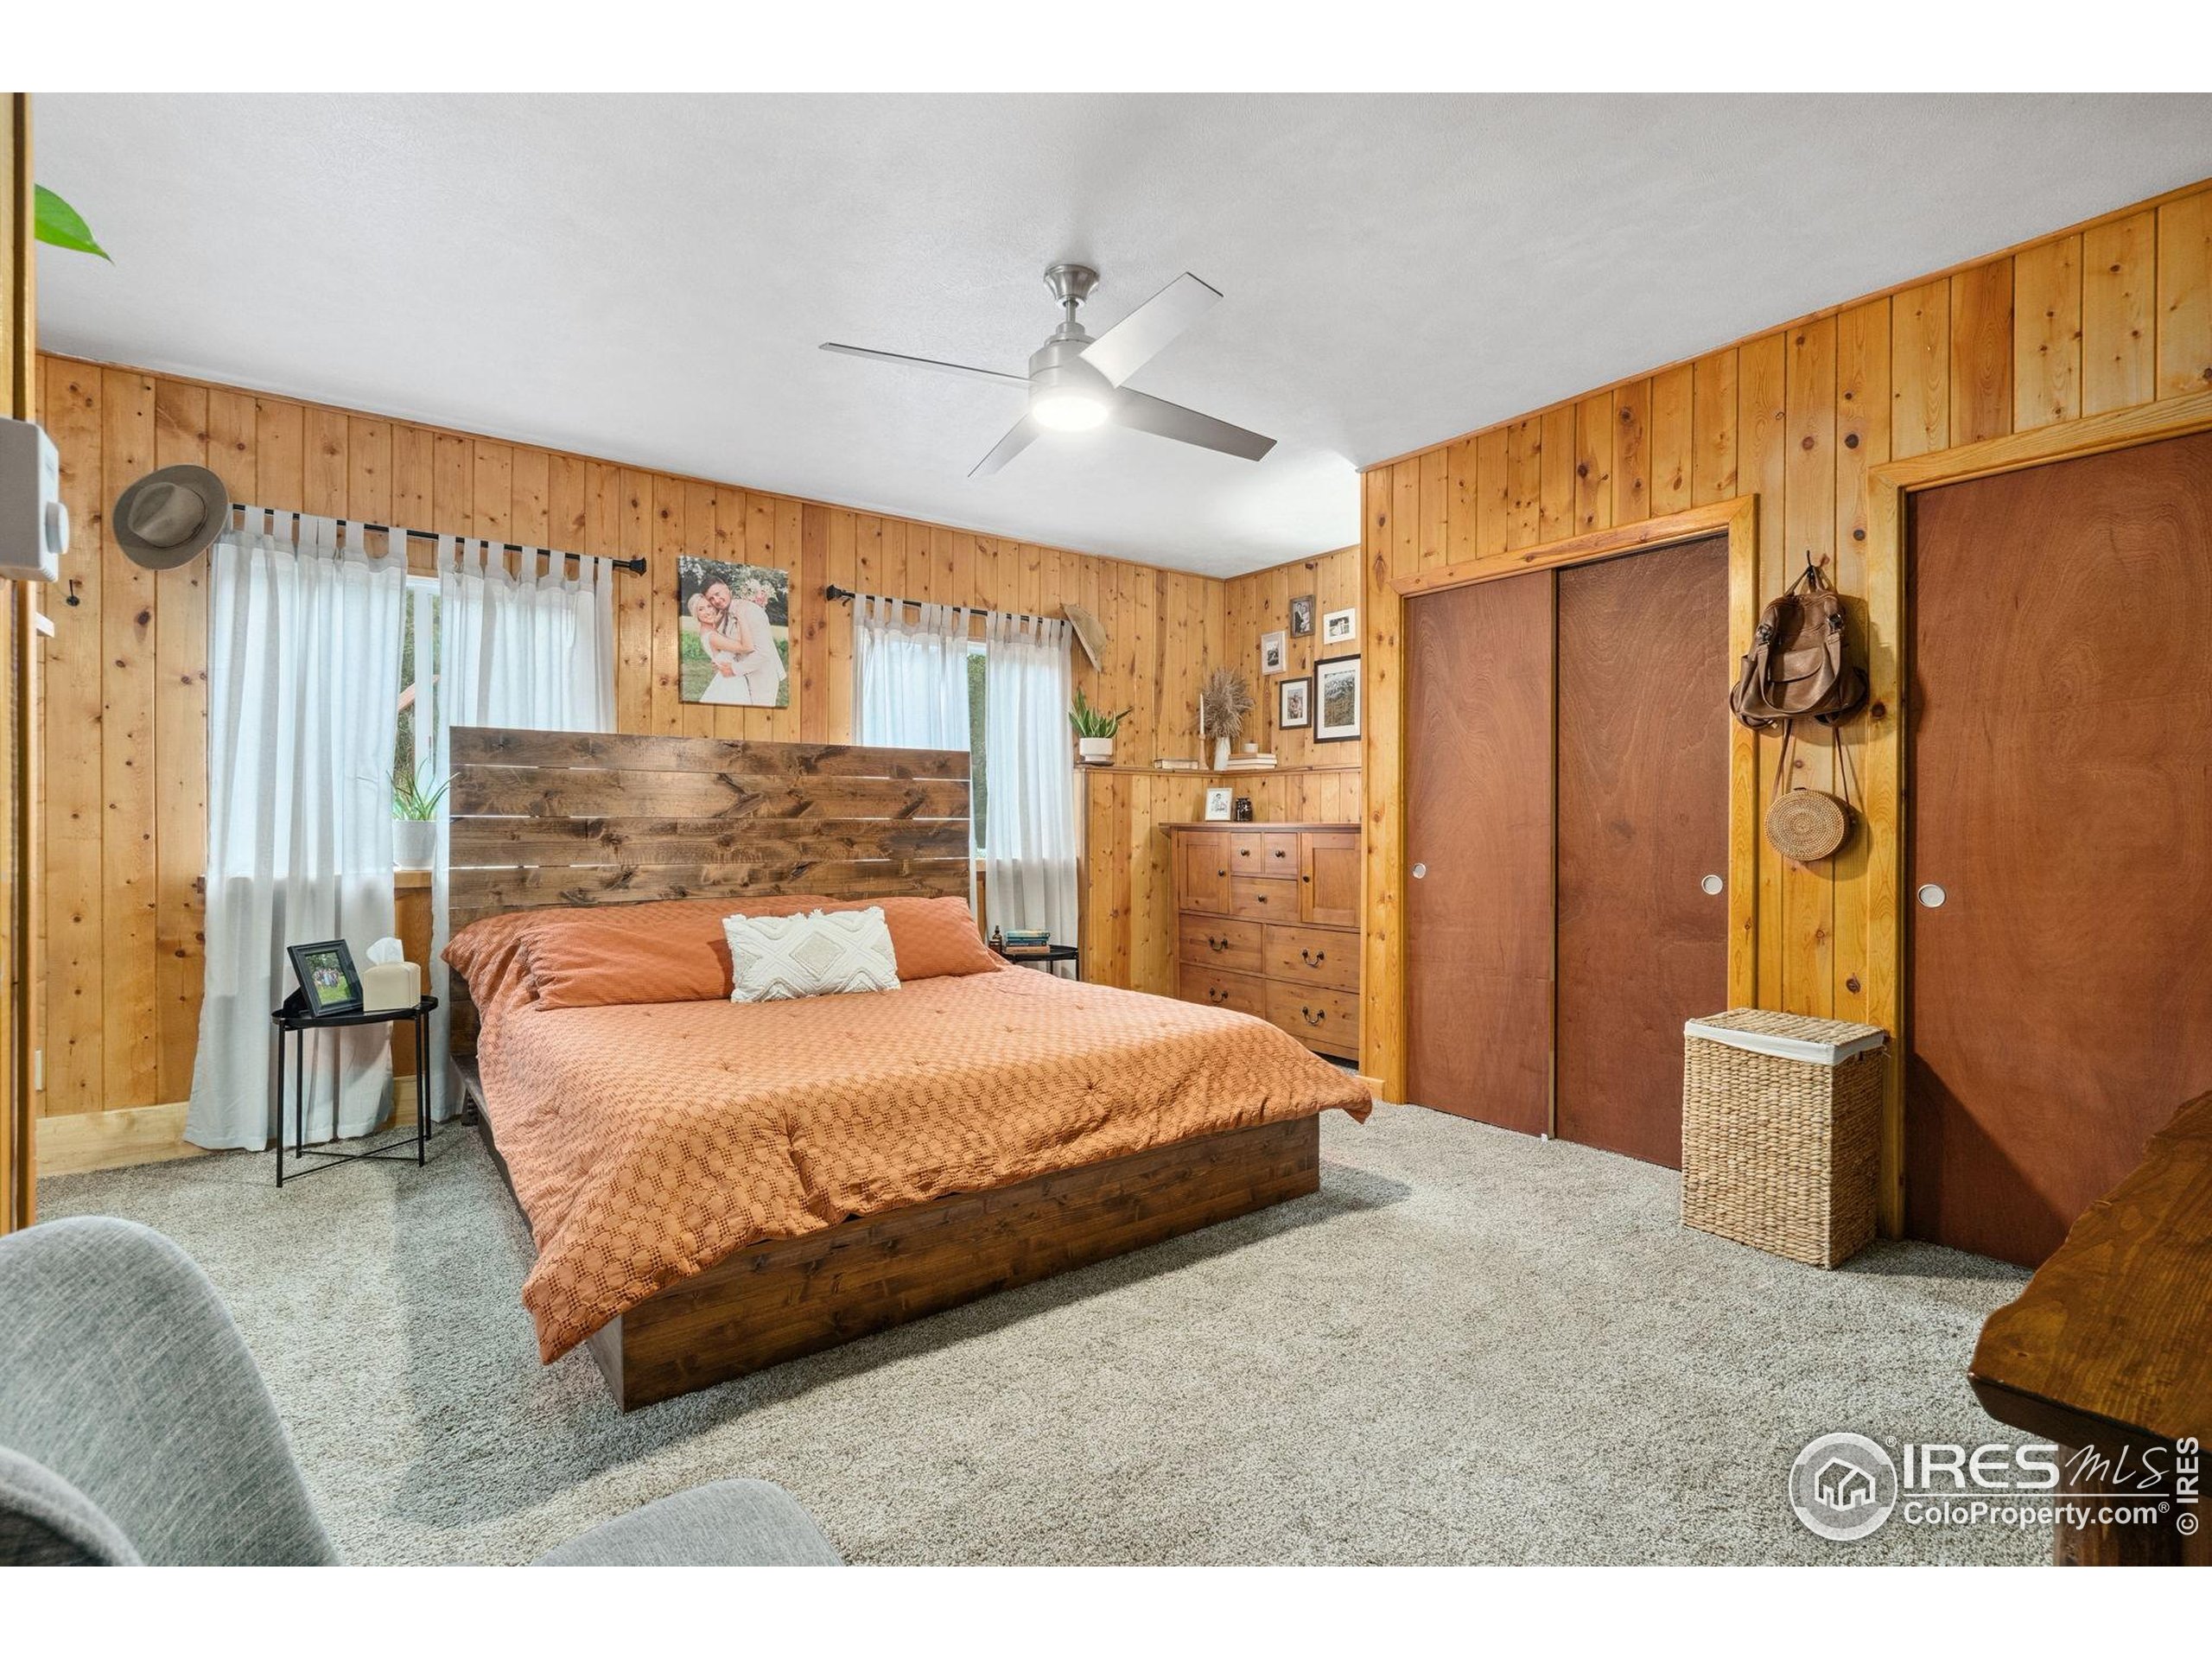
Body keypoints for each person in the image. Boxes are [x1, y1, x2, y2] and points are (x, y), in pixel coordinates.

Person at [691, 577, 785, 706]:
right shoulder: (723, 614)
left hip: (761, 678)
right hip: (741, 680)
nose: (716, 600)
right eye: (711, 599)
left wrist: (734, 669)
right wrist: (720, 659)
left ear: (726, 588)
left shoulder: (750, 610)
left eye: (717, 594)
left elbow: (763, 652)